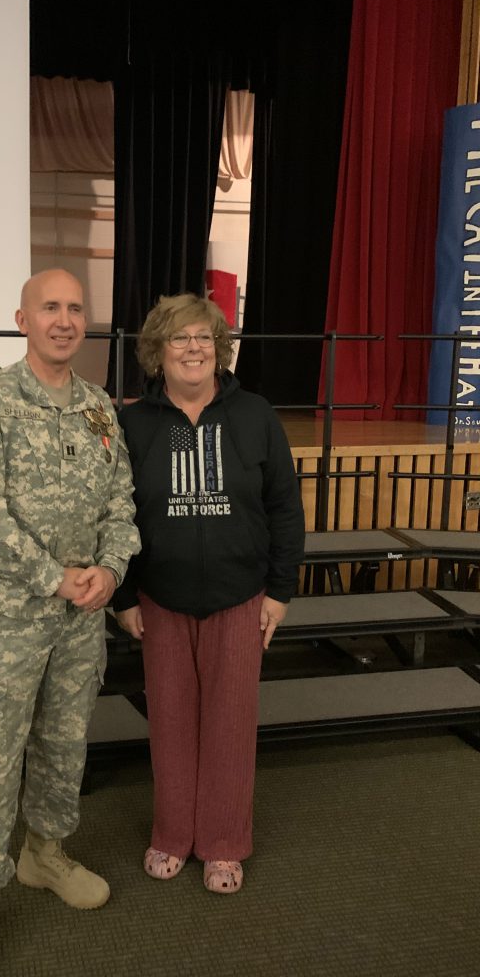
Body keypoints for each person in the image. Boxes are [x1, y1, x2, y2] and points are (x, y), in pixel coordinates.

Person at [0, 268, 140, 977]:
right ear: (21, 319)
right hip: (4, 617)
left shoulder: (98, 410)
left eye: (74, 309)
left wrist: (111, 569)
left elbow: (122, 503)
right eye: (48, 307)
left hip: (79, 618)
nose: (63, 319)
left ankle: (44, 854)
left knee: (63, 745)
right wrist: (52, 575)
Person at [113, 294, 305, 895]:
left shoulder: (255, 415)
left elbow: (285, 509)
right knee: (169, 722)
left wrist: (279, 593)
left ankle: (223, 844)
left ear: (219, 349)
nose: (193, 348)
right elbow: (113, 515)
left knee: (230, 724)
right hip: (161, 600)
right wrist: (124, 597)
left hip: (240, 597)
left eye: (204, 337)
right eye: (179, 338)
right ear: (157, 351)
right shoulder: (133, 424)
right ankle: (172, 834)